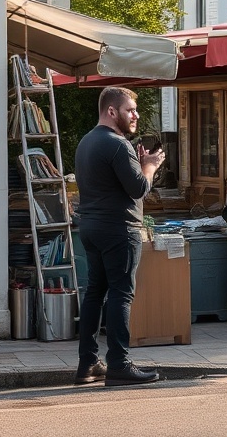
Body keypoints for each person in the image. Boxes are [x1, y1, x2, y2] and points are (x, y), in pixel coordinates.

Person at [74, 86, 165, 387]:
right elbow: (138, 188)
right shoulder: (117, 144)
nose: (136, 115)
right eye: (130, 110)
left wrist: (137, 167)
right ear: (111, 111)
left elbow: (115, 183)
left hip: (91, 228)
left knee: (95, 293)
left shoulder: (87, 142)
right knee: (121, 294)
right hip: (118, 230)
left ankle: (88, 364)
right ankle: (119, 365)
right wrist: (149, 167)